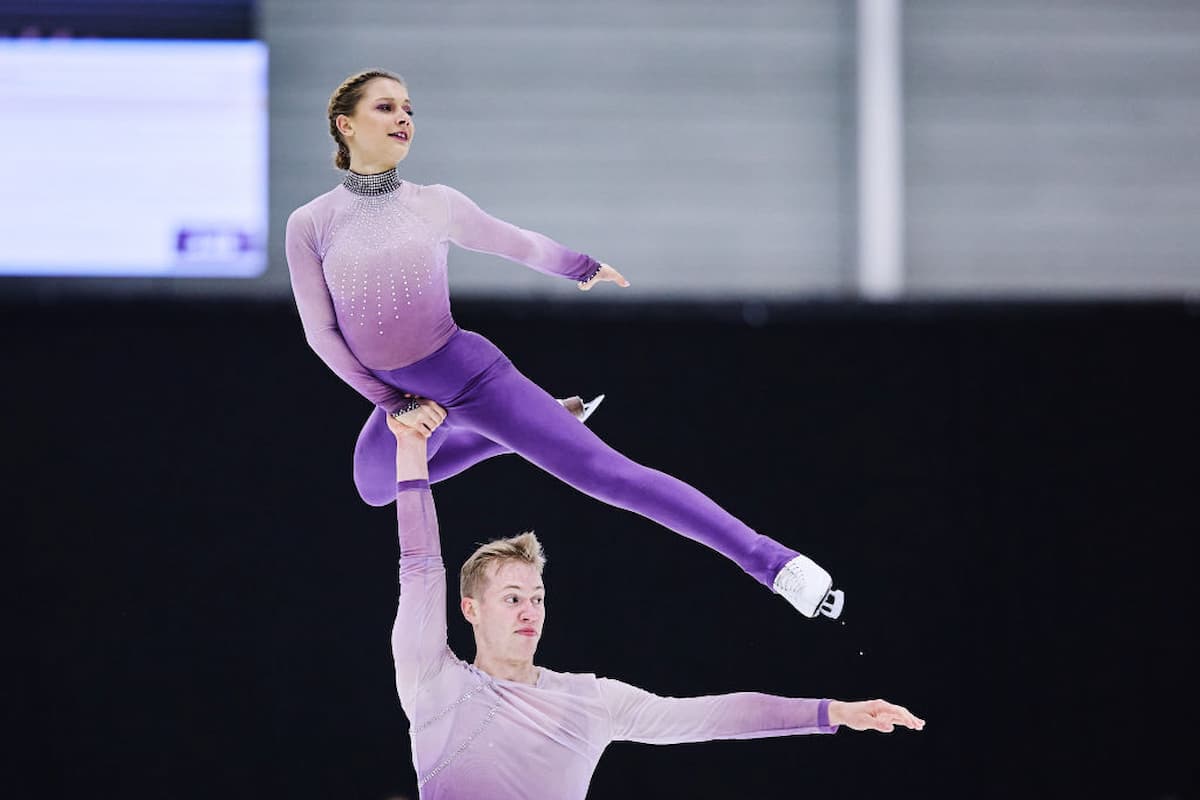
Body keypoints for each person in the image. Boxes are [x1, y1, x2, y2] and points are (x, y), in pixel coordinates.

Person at [285, 68, 842, 619]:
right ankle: (510, 435)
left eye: (409, 108)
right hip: (400, 395)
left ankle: (774, 563)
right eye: (386, 107)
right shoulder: (311, 223)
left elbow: (519, 244)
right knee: (373, 485)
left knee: (609, 476)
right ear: (346, 124)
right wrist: (393, 404)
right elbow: (321, 333)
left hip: (469, 377)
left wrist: (583, 266)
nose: (403, 116)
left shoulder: (435, 203)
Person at [383, 415, 923, 799]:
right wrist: (409, 447)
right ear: (470, 609)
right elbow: (420, 562)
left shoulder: (590, 702)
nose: (530, 611)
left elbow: (710, 718)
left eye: (538, 598)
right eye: (513, 598)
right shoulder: (433, 681)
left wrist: (831, 713)